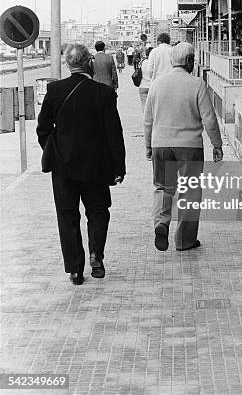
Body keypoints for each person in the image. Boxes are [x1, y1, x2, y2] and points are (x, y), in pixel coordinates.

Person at [36, 43, 126, 285]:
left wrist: (54, 151)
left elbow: (42, 129)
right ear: (89, 63)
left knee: (67, 216)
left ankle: (75, 270)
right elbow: (114, 134)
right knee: (98, 212)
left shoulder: (54, 90)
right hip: (96, 168)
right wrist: (119, 167)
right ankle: (96, 254)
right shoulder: (104, 93)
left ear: (68, 64)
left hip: (63, 169)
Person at [144, 42, 223, 252]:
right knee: (190, 191)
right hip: (190, 147)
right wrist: (217, 144)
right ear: (189, 61)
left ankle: (161, 222)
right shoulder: (197, 84)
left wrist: (148, 146)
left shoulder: (157, 84)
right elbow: (210, 119)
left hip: (161, 144)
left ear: (172, 61)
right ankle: (184, 241)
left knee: (163, 187)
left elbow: (148, 120)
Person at [138, 46, 153, 111]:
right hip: (152, 86)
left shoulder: (142, 62)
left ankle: (146, 120)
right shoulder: (154, 63)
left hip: (143, 86)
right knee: (153, 107)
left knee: (144, 107)